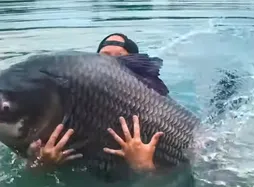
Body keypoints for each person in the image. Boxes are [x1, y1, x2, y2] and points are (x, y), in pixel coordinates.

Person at [27, 33, 163, 173]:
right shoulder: (72, 106)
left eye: (119, 58)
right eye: (104, 56)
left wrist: (144, 167)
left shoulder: (156, 112)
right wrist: (42, 164)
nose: (110, 64)